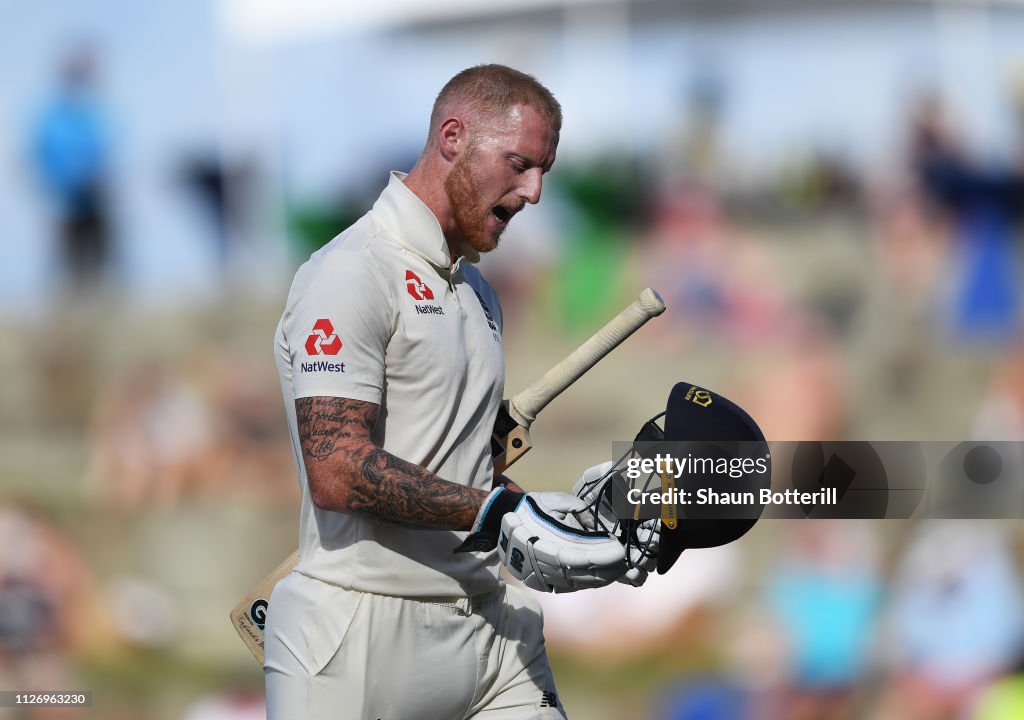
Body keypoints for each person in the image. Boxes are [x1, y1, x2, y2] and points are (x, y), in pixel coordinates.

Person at [263, 64, 636, 720]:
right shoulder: (351, 272)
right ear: (454, 136)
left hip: (489, 631)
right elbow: (336, 469)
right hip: (358, 639)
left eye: (543, 170)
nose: (535, 192)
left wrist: (564, 520)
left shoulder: (477, 292)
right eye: (520, 164)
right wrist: (495, 512)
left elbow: (461, 472)